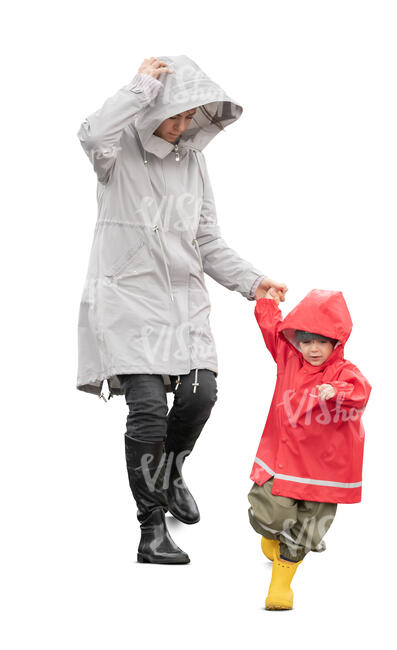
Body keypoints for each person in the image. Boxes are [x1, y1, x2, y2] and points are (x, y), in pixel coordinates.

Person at [76, 55, 288, 564]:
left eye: (190, 115)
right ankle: (151, 529)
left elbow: (206, 238)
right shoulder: (118, 150)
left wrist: (253, 281)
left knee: (200, 396)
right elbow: (89, 133)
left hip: (184, 302)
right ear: (154, 110)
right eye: (174, 114)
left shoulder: (193, 161)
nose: (182, 124)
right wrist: (141, 86)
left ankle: (168, 471)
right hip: (127, 300)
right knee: (147, 412)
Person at [248, 288, 371, 609]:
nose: (313, 349)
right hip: (283, 457)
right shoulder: (288, 358)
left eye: (321, 341)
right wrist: (267, 300)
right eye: (306, 341)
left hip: (325, 466)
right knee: (269, 511)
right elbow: (272, 328)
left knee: (309, 528)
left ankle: (281, 584)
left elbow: (360, 391)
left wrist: (336, 390)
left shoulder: (344, 371)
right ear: (296, 342)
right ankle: (271, 535)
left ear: (336, 343)